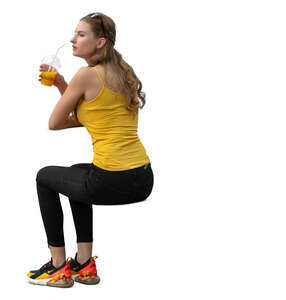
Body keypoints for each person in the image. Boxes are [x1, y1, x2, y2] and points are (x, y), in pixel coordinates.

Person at [27, 12, 154, 288]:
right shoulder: (122, 72)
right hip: (143, 178)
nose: (72, 39)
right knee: (75, 173)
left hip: (110, 180)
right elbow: (95, 115)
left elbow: (55, 123)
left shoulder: (85, 75)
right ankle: (84, 265)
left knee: (43, 176)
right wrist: (63, 85)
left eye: (81, 34)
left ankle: (58, 266)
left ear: (100, 42)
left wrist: (69, 90)